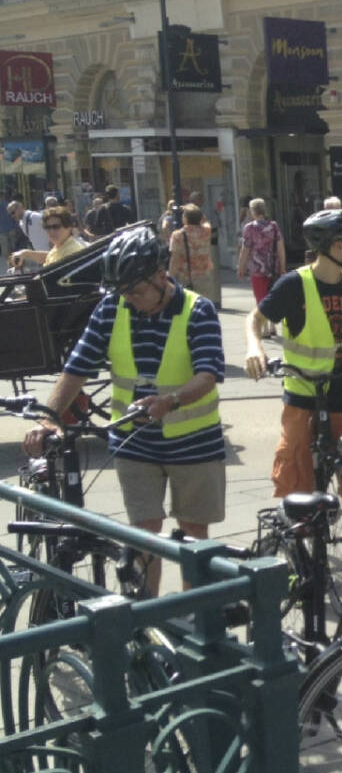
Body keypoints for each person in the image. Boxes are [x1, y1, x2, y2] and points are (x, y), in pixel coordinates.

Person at [22, 227, 226, 593]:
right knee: (143, 535)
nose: (130, 299)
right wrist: (48, 418)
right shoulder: (112, 307)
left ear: (161, 276)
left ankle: (199, 624)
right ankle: (147, 625)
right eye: (123, 292)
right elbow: (77, 369)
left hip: (194, 443)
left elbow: (209, 375)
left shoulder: (198, 310)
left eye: (136, 291)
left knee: (195, 538)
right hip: (134, 443)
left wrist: (169, 401)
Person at [242, 209, 342, 497]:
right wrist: (254, 347)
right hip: (304, 390)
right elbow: (255, 319)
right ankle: (300, 531)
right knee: (295, 468)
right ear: (336, 245)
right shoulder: (293, 284)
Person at [237, 198, 286, 338]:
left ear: (252, 211)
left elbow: (245, 250)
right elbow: (281, 247)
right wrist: (282, 265)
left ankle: (264, 328)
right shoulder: (274, 226)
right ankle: (272, 326)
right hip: (273, 267)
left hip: (257, 269)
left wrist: (241, 267)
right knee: (273, 296)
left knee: (260, 298)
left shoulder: (249, 228)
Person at [168, 203, 219, 306]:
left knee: (187, 307)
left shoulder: (178, 235)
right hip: (204, 276)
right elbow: (205, 221)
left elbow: (175, 259)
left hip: (185, 277)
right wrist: (194, 209)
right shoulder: (206, 231)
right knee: (203, 306)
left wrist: (171, 278)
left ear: (185, 218)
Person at [9, 206, 85, 273]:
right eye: (47, 227)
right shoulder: (60, 247)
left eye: (56, 227)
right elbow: (49, 256)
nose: (51, 231)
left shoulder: (72, 250)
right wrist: (25, 253)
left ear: (69, 227)